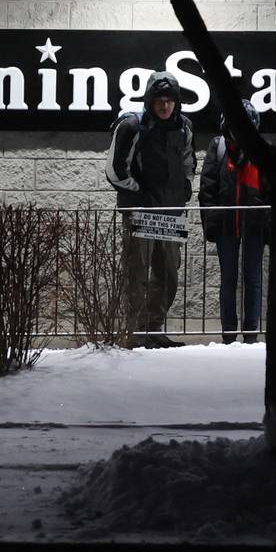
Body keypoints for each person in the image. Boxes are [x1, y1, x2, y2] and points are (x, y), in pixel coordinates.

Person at [105, 70, 196, 348]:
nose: (165, 105)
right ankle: (135, 333)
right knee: (136, 274)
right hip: (140, 213)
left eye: (169, 100)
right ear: (149, 100)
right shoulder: (132, 125)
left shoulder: (184, 126)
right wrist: (141, 193)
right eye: (159, 100)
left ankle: (153, 330)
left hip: (170, 213)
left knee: (168, 275)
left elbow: (188, 163)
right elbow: (114, 170)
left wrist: (184, 189)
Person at [199, 100, 269, 344]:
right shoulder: (218, 148)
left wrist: (269, 225)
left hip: (254, 227)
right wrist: (211, 222)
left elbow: (269, 189)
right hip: (227, 226)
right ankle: (228, 334)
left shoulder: (262, 151)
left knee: (253, 281)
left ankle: (251, 335)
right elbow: (207, 188)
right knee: (228, 280)